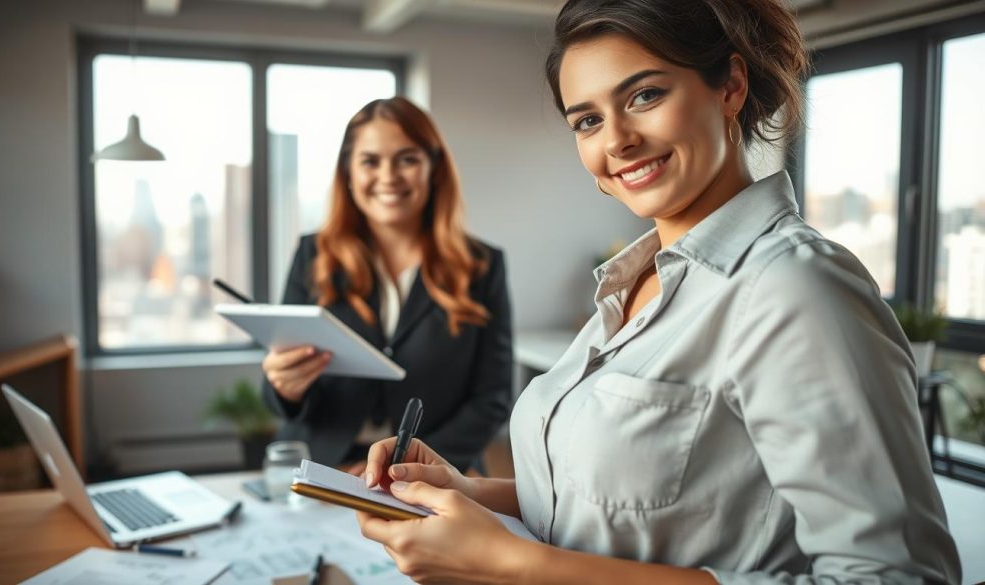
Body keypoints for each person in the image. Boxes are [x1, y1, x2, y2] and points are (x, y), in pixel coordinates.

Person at [355, 1, 962, 583]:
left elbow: (898, 577)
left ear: (730, 85)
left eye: (645, 95)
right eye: (587, 120)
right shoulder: (636, 283)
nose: (616, 140)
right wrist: (465, 492)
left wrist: (512, 567)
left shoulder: (796, 289)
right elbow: (623, 505)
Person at [261, 97, 513, 473]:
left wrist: (402, 467)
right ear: (348, 172)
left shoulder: (481, 265)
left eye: (407, 159)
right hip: (324, 471)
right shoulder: (312, 255)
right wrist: (284, 385)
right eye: (370, 161)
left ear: (434, 169)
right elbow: (276, 396)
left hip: (433, 473)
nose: (388, 175)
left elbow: (493, 397)